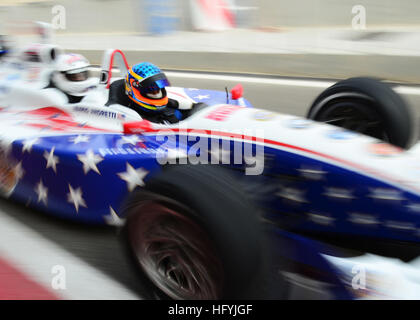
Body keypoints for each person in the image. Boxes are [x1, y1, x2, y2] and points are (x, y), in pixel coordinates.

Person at [106, 62, 196, 123]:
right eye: (150, 90)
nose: (157, 93)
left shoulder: (173, 110)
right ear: (134, 89)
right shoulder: (129, 117)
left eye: (158, 89)